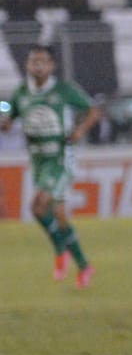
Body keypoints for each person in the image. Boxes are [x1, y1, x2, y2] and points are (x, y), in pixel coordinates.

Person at [2, 45, 102, 286]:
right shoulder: (21, 93)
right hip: (38, 158)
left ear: (51, 66)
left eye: (43, 61)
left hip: (59, 156)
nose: (38, 66)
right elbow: (8, 116)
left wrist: (79, 130)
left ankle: (60, 251)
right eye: (33, 61)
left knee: (41, 201)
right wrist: (4, 122)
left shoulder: (63, 90)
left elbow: (93, 110)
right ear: (27, 65)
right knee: (47, 212)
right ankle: (83, 265)